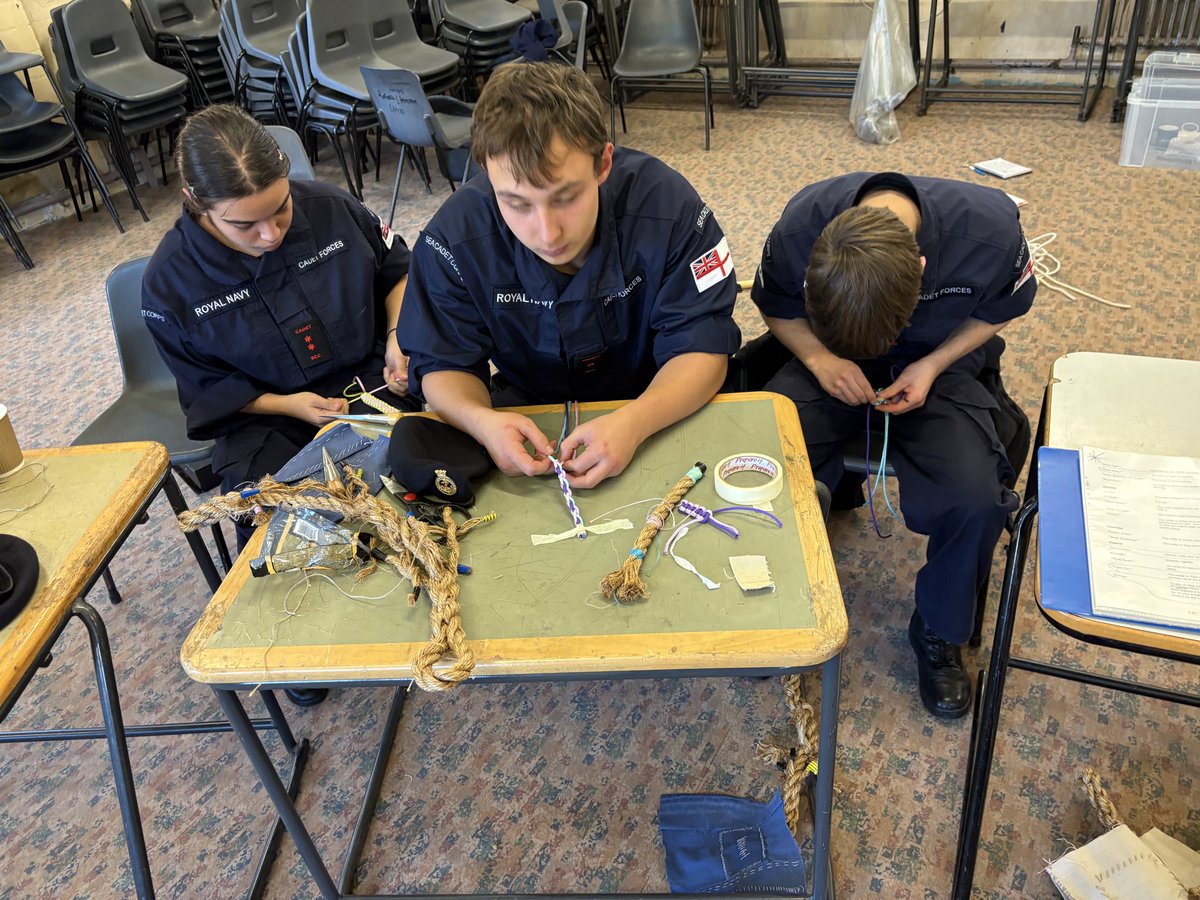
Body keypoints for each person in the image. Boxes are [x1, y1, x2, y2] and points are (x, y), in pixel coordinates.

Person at [751, 172, 1036, 720]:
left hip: (937, 362)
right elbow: (778, 306)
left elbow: (1003, 307)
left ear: (923, 270)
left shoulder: (990, 228)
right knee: (762, 463)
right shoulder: (800, 223)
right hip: (829, 357)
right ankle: (772, 599)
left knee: (974, 496)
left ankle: (939, 626)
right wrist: (820, 359)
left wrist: (930, 364)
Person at [397, 62, 741, 489]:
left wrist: (636, 421)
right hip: (530, 406)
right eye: (516, 203)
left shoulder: (670, 209)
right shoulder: (454, 238)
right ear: (487, 173)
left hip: (657, 393)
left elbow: (704, 344)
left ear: (603, 164)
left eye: (565, 197)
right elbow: (442, 363)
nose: (547, 232)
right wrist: (483, 421)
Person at [142, 104, 420, 546]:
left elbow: (398, 272)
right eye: (244, 224)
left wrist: (396, 338)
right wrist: (290, 405)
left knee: (432, 476)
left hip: (371, 378)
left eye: (281, 208)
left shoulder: (332, 207)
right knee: (285, 530)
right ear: (196, 204)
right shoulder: (169, 283)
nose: (271, 234)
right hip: (268, 417)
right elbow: (209, 389)